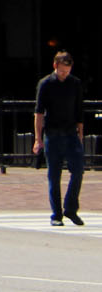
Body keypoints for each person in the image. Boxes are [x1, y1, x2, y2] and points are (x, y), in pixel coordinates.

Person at [36, 50, 86, 226]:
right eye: (62, 71)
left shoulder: (75, 84)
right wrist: (38, 138)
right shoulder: (46, 84)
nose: (65, 74)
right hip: (53, 134)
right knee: (54, 175)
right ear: (55, 66)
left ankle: (71, 208)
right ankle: (56, 214)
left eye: (68, 71)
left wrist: (80, 134)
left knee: (78, 171)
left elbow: (79, 111)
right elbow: (39, 113)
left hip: (71, 133)